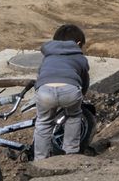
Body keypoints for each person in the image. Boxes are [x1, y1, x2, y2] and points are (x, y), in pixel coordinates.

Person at [33, 23, 91, 158]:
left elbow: (40, 76)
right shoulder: (80, 58)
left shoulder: (47, 57)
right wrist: (81, 96)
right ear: (78, 43)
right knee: (74, 116)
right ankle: (71, 152)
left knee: (43, 122)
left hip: (45, 91)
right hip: (70, 90)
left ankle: (40, 159)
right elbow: (84, 80)